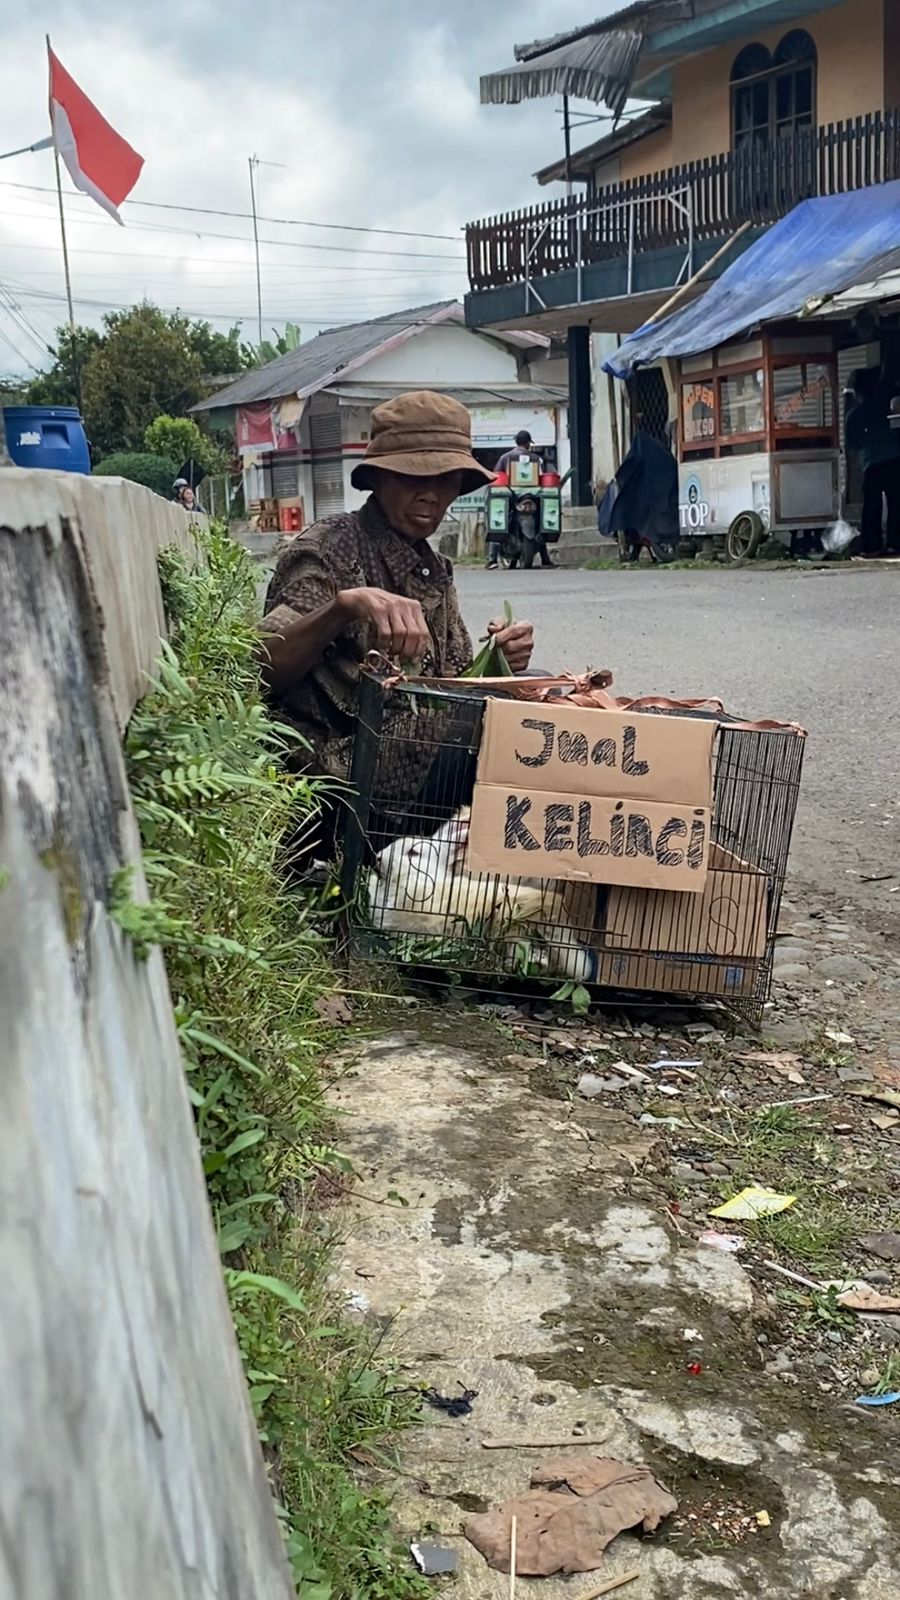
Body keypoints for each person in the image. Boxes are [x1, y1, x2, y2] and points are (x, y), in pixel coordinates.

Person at [259, 390, 534, 856]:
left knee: (534, 697)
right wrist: (344, 608)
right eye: (413, 478)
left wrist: (501, 659)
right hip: (331, 785)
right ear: (379, 478)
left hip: (409, 774)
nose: (431, 494)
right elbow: (258, 665)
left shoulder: (433, 568)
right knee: (497, 719)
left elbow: (454, 687)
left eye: (446, 480)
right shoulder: (328, 550)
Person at [846, 367, 900, 557]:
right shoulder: (886, 407)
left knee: (872, 506)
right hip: (894, 460)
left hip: (872, 464)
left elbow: (853, 446)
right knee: (896, 504)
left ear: (857, 392)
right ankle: (895, 543)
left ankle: (871, 546)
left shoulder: (854, 416)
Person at [486, 429, 553, 570]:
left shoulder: (505, 458)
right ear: (528, 443)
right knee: (541, 520)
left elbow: (497, 476)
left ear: (517, 442)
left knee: (499, 519)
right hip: (533, 496)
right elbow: (543, 477)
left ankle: (492, 559)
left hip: (512, 496)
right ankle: (545, 558)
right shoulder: (536, 459)